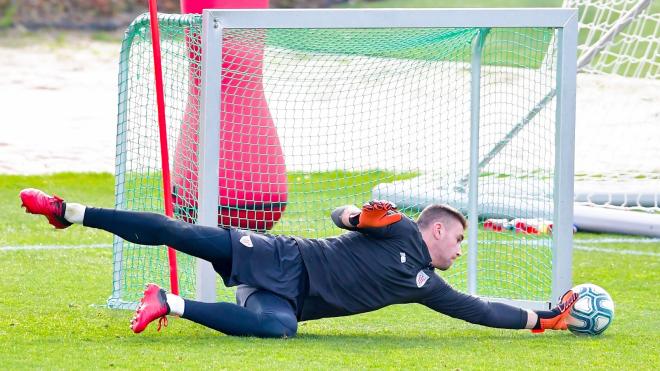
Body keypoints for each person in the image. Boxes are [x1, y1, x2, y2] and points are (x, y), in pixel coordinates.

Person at [19, 188, 578, 338]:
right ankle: (71, 212)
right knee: (180, 233)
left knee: (279, 329)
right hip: (283, 255)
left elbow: (480, 311)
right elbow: (341, 213)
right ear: (436, 230)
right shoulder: (402, 229)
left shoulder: (427, 286)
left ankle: (169, 302)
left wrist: (543, 317)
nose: (460, 249)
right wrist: (359, 218)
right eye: (458, 239)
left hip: (287, 299)